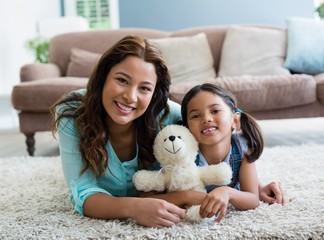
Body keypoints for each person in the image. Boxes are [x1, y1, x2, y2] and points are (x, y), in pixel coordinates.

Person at [51, 35, 284, 229]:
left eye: (144, 88)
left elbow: (214, 136)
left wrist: (250, 185)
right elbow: (82, 191)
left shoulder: (167, 114)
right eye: (122, 80)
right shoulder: (73, 111)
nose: (130, 97)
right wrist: (132, 207)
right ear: (103, 78)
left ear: (154, 94)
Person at [180, 83, 285, 222]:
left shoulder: (242, 147)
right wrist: (187, 196)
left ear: (235, 120)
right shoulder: (184, 154)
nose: (206, 119)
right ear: (187, 128)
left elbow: (253, 199)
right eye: (195, 116)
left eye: (215, 111)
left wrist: (227, 192)